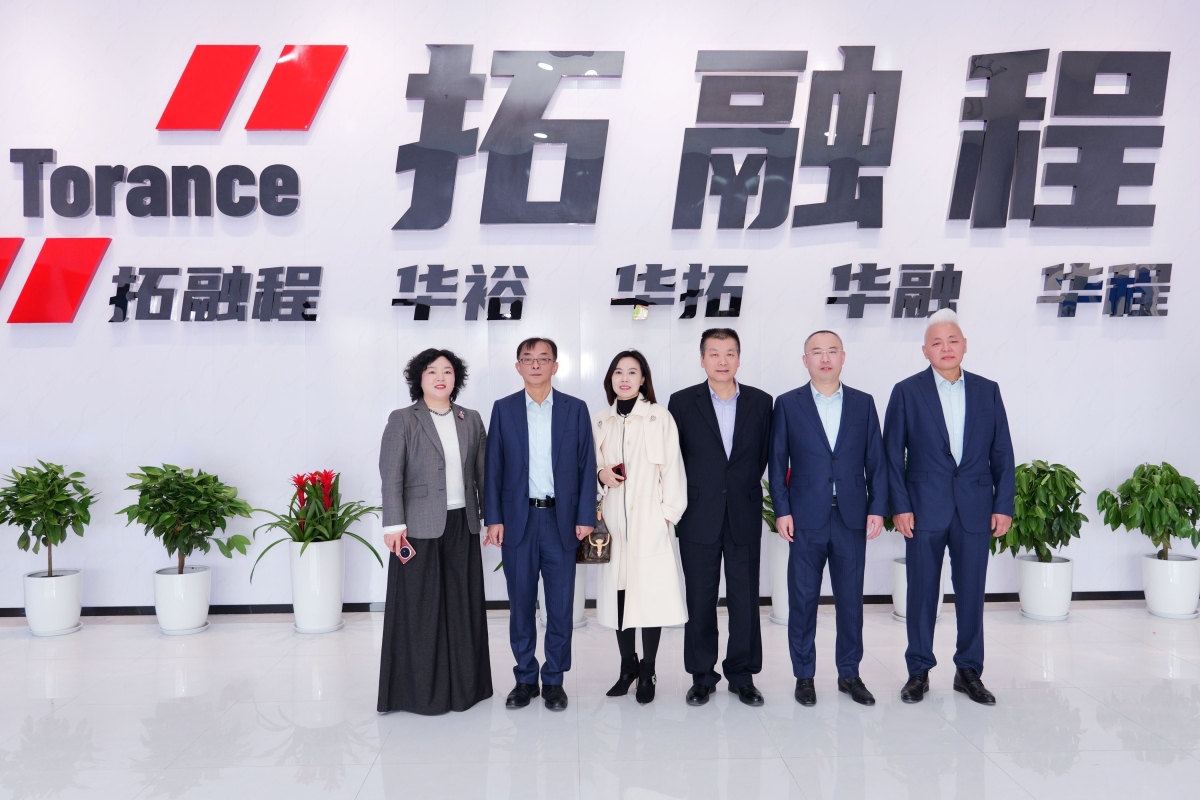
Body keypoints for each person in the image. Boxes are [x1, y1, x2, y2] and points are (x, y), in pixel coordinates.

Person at [883, 308, 1015, 706]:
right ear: (925, 350)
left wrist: (1003, 504)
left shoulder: (988, 390)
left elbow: (1002, 452)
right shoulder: (906, 391)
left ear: (965, 346)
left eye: (952, 340)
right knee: (922, 592)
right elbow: (892, 456)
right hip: (923, 508)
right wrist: (900, 505)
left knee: (971, 592)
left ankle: (968, 670)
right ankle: (918, 671)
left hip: (975, 507)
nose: (946, 348)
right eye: (937, 342)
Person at [768, 331, 887, 707]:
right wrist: (782, 510)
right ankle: (804, 675)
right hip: (805, 518)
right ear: (805, 360)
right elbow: (777, 462)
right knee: (803, 599)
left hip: (851, 516)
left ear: (843, 357)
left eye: (832, 351)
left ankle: (849, 673)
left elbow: (876, 460)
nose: (825, 358)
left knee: (851, 600)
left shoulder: (863, 403)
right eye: (816, 352)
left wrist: (877, 507)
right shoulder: (788, 404)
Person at [484, 337, 596, 712]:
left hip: (561, 520)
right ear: (518, 366)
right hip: (518, 520)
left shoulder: (574, 409)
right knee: (520, 604)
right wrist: (493, 518)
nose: (535, 365)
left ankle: (554, 680)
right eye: (528, 359)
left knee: (560, 606)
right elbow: (493, 467)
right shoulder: (504, 409)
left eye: (543, 359)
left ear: (555, 366)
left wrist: (585, 516)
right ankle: (525, 678)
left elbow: (586, 465)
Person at [377, 348, 491, 715]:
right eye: (431, 371)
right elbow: (391, 475)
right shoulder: (402, 419)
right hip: (417, 527)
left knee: (463, 606)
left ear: (457, 378)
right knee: (420, 609)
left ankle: (466, 689)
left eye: (447, 371)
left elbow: (483, 473)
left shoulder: (470, 419)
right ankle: (419, 693)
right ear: (419, 379)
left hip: (463, 523)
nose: (440, 377)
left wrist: (491, 518)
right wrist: (394, 524)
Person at [668, 328, 773, 707]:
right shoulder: (682, 402)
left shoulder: (761, 402)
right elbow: (674, 458)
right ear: (702, 359)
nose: (722, 360)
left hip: (744, 511)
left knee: (745, 599)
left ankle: (742, 676)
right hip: (698, 514)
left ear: (739, 358)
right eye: (714, 353)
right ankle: (702, 676)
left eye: (730, 353)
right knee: (700, 599)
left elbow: (763, 456)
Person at [593, 350, 688, 705]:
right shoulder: (601, 421)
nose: (624, 378)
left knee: (650, 597)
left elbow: (674, 469)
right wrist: (600, 475)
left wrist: (667, 516)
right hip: (614, 523)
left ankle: (648, 670)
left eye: (632, 372)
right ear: (610, 379)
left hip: (651, 523)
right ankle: (626, 667)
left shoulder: (659, 417)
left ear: (643, 379)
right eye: (618, 372)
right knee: (620, 595)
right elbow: (590, 467)